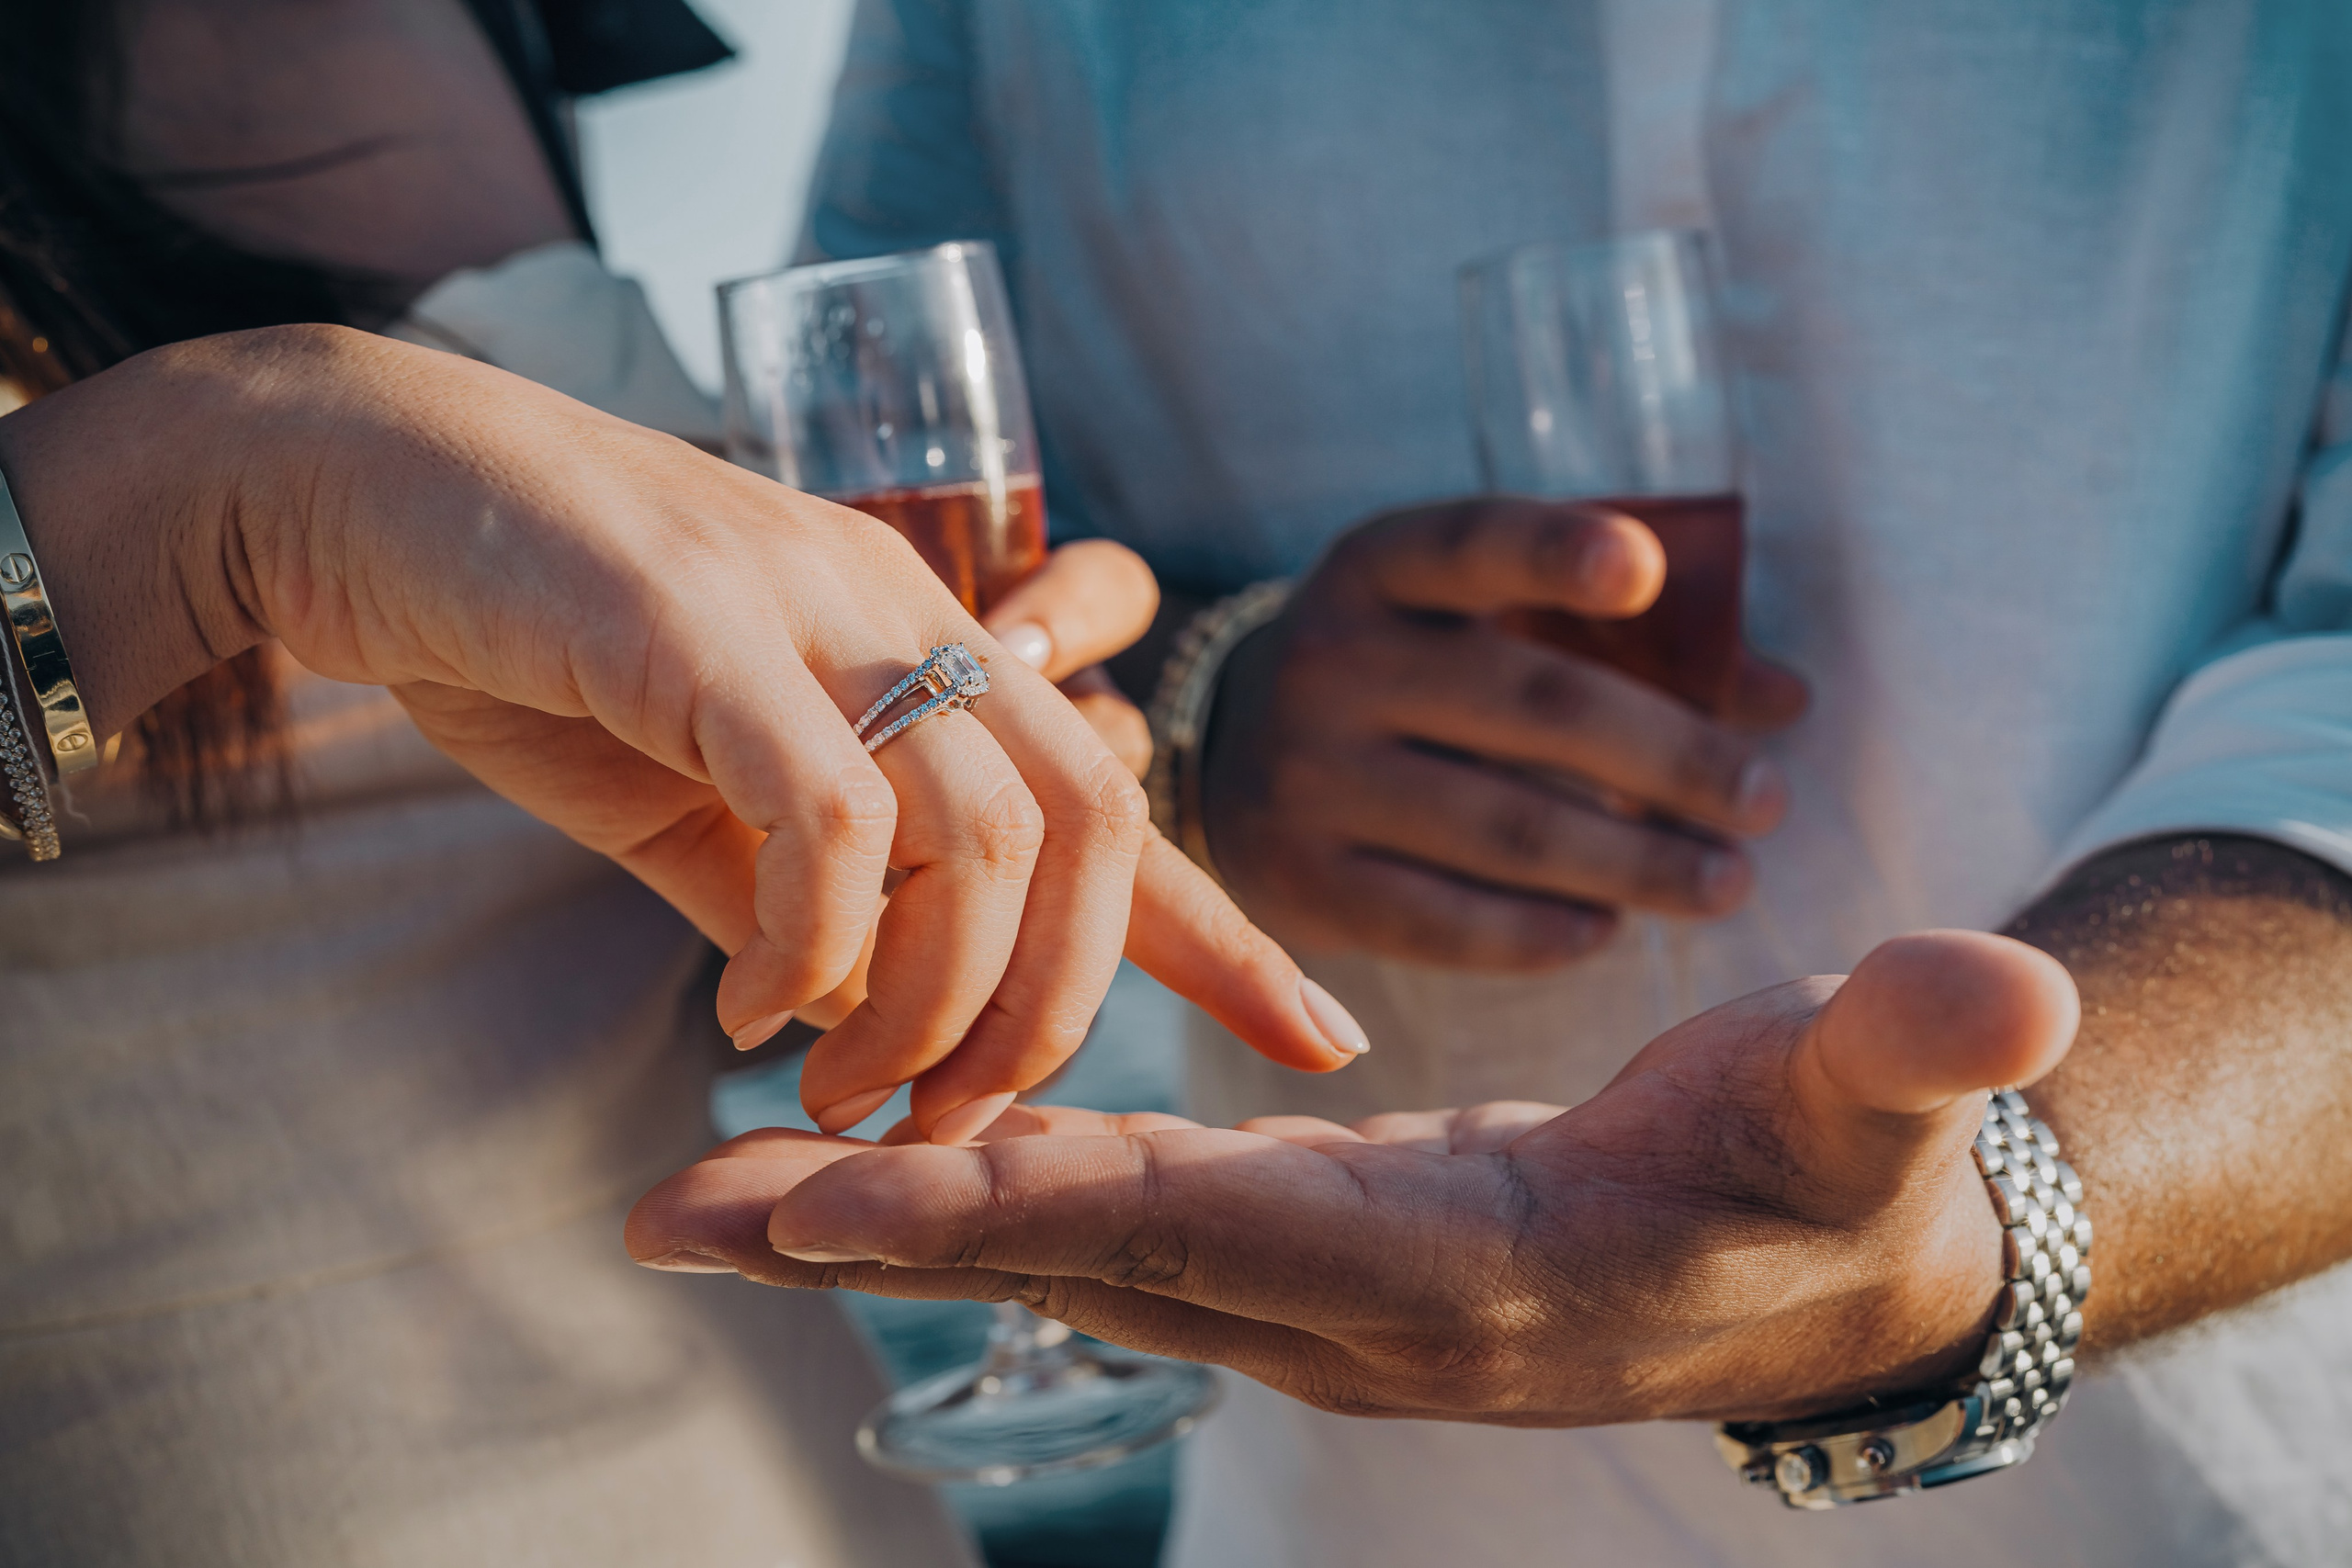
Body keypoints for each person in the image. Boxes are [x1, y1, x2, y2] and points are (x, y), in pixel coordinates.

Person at [640, 0, 2352, 1563]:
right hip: (1348, 1507)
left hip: (2188, 1496)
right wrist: (1204, 704)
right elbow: (861, 518)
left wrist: (1992, 1219)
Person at [0, 2, 1363, 1560]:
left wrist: (1125, 714)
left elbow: (527, 853)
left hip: (761, 1444)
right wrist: (213, 499)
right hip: (178, 1469)